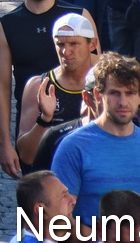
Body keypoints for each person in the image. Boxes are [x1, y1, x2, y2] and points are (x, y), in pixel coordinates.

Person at [0, 0, 97, 179]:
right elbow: (1, 87)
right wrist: (5, 143)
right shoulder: (7, 25)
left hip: (79, 115)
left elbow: (98, 72)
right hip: (34, 123)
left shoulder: (78, 16)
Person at [49, 53, 140, 235]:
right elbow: (59, 218)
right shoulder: (73, 147)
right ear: (98, 94)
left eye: (130, 93)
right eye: (114, 93)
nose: (123, 102)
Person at [14, 14, 99, 172]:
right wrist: (44, 120)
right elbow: (26, 156)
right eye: (60, 44)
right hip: (53, 176)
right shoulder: (39, 86)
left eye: (74, 44)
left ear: (92, 44)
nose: (66, 52)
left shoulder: (109, 82)